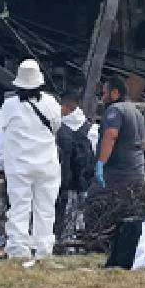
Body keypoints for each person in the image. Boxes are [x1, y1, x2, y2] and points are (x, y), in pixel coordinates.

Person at [0, 59, 61, 260]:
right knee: (46, 209)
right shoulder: (51, 103)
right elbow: (56, 127)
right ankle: (43, 248)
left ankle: (18, 248)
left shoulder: (9, 106)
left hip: (19, 166)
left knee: (19, 208)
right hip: (47, 164)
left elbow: (1, 135)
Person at [55, 90, 97, 240]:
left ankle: (64, 240)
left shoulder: (58, 128)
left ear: (66, 107)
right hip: (84, 181)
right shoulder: (91, 128)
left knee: (64, 215)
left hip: (64, 181)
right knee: (81, 215)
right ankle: (78, 241)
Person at [94, 77, 145, 191]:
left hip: (118, 174)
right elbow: (143, 145)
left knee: (94, 201)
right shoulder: (137, 112)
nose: (102, 98)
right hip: (138, 172)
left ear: (115, 93)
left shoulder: (115, 110)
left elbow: (111, 136)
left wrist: (100, 163)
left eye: (104, 93)